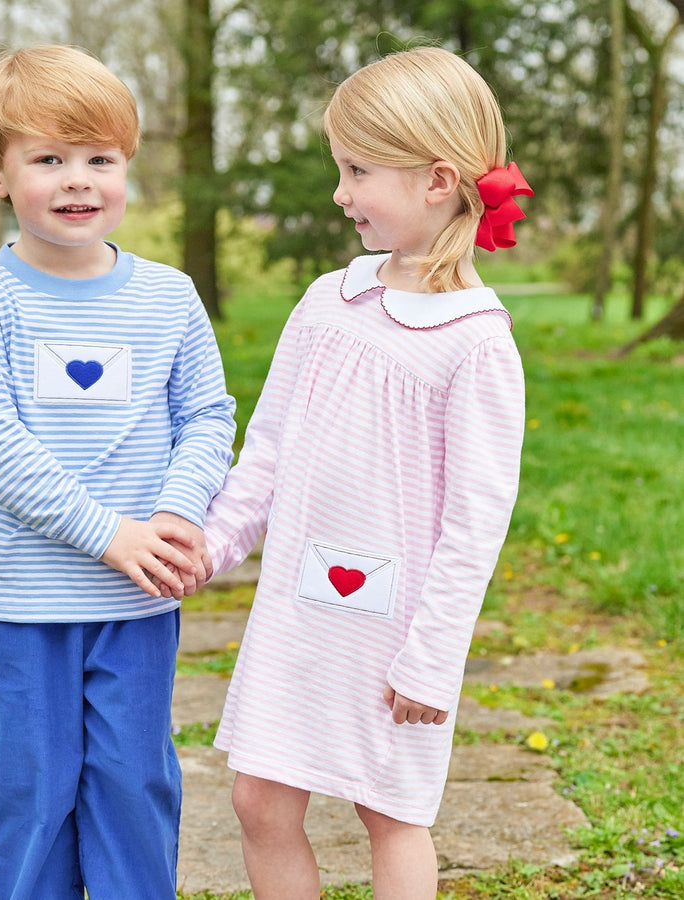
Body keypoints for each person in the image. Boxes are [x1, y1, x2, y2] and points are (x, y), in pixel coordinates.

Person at [202, 46, 532, 899]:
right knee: (259, 799)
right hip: (297, 616)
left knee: (390, 813)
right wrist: (211, 545)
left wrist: (433, 658)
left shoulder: (477, 342)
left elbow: (476, 519)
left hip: (396, 634)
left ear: (435, 179)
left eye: (357, 171)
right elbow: (267, 447)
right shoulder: (326, 302)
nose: (341, 192)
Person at [0, 45, 235, 900]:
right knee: (33, 791)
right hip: (23, 601)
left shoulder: (169, 296)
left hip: (136, 599)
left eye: (99, 159)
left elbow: (206, 417)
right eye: (49, 160)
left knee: (133, 783)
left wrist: (177, 514)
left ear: (127, 167)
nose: (79, 181)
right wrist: (107, 533)